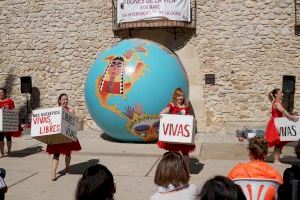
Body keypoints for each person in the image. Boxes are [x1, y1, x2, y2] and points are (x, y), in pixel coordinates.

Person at [228, 135, 283, 200]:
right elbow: (282, 193)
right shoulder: (275, 174)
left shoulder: (236, 171)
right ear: (265, 153)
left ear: (250, 152)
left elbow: (226, 190)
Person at [157, 88, 195, 170]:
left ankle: (186, 170)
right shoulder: (171, 105)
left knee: (185, 153)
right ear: (175, 97)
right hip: (174, 134)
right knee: (172, 153)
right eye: (179, 96)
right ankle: (171, 170)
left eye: (182, 96)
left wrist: (191, 118)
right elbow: (164, 112)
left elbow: (188, 119)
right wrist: (162, 115)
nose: (181, 97)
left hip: (183, 134)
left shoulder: (186, 106)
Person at [46, 93, 81, 181]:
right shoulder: (55, 109)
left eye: (66, 99)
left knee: (68, 153)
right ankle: (53, 172)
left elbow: (74, 123)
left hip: (67, 135)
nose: (65, 101)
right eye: (64, 99)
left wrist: (75, 118)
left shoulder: (71, 110)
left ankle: (67, 168)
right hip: (58, 136)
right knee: (56, 153)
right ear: (59, 100)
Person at [265, 88, 298, 164]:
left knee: (281, 141)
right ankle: (276, 160)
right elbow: (283, 111)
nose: (282, 94)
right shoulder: (276, 103)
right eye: (280, 93)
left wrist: (291, 115)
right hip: (276, 124)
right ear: (276, 94)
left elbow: (269, 96)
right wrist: (291, 117)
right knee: (278, 143)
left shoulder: (274, 101)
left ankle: (278, 155)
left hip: (277, 122)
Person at [0, 88, 22, 158]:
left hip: (8, 122)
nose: (0, 94)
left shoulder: (9, 101)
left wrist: (16, 120)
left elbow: (13, 110)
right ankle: (2, 152)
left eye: (2, 92)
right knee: (0, 138)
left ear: (5, 93)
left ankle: (9, 150)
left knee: (8, 137)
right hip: (0, 122)